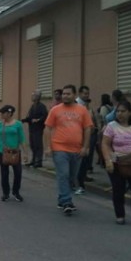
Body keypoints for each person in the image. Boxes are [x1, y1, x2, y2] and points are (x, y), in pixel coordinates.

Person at [45, 85, 94, 215]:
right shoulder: (55, 110)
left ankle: (62, 198)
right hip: (59, 148)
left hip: (77, 150)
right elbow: (48, 128)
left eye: (68, 94)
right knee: (64, 174)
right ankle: (67, 201)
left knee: (72, 177)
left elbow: (87, 128)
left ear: (74, 95)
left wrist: (85, 147)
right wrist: (48, 147)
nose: (65, 96)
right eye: (64, 94)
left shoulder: (82, 110)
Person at [101, 101, 131, 225]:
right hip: (116, 163)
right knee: (118, 190)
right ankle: (120, 215)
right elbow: (105, 144)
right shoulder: (111, 126)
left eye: (123, 111)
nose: (120, 114)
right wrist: (108, 160)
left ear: (130, 112)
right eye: (118, 111)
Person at [0, 105, 29, 202]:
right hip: (2, 152)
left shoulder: (18, 124)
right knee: (4, 173)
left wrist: (25, 153)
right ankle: (6, 193)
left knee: (18, 173)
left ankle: (16, 192)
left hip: (15, 152)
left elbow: (22, 139)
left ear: (9, 113)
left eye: (3, 113)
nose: (1, 115)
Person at [75, 85, 98, 194]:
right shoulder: (76, 105)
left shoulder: (86, 106)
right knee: (80, 161)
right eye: (85, 93)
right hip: (79, 137)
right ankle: (78, 183)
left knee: (85, 161)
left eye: (88, 93)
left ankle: (81, 179)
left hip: (87, 136)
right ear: (79, 93)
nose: (87, 95)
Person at [21, 90, 48, 168]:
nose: (32, 96)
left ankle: (38, 162)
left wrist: (38, 120)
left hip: (38, 128)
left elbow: (45, 116)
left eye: (33, 95)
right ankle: (33, 160)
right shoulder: (33, 106)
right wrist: (23, 120)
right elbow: (30, 117)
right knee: (32, 145)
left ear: (38, 97)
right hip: (32, 128)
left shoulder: (42, 106)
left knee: (38, 145)